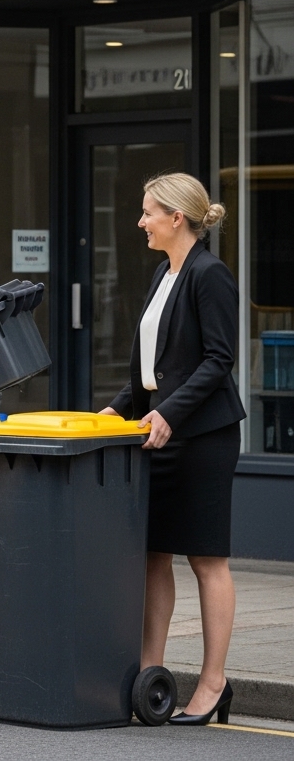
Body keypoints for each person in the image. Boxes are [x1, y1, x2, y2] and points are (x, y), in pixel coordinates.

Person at [100, 172, 244, 725]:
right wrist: (119, 408)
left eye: (148, 213)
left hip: (202, 436)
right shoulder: (164, 273)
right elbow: (153, 365)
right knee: (154, 554)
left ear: (176, 218)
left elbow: (218, 359)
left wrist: (169, 413)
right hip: (157, 431)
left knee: (206, 559)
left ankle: (213, 683)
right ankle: (150, 675)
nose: (141, 222)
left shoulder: (209, 274)